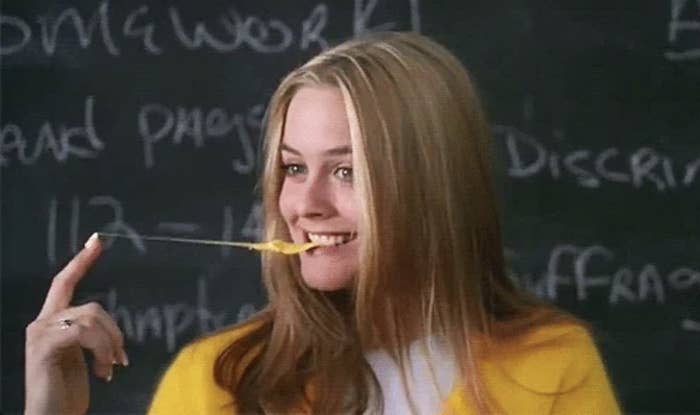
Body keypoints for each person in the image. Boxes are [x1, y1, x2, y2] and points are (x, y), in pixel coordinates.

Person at [25, 31, 621, 414]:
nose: (303, 204)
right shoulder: (212, 384)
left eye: (346, 172)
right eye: (291, 167)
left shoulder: (554, 366)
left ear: (433, 188)